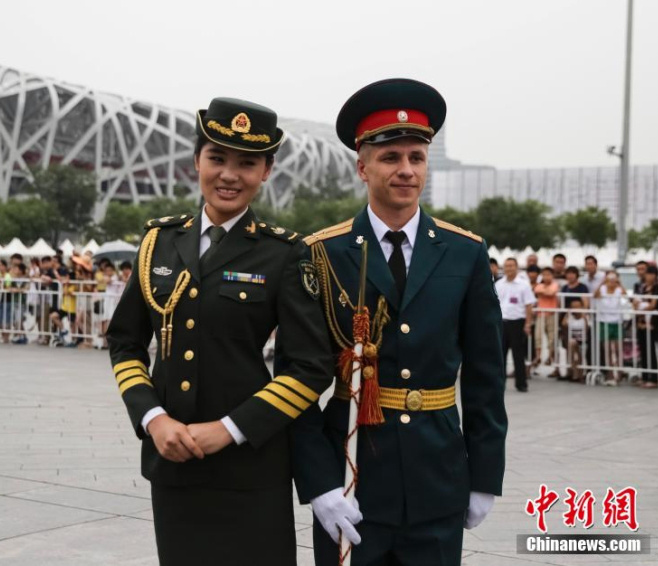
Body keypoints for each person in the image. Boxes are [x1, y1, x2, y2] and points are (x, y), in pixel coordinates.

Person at [287, 79, 507, 566]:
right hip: (353, 477)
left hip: (439, 477)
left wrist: (485, 476)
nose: (406, 170)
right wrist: (320, 483)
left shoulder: (465, 252)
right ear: (362, 166)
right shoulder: (321, 254)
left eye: (416, 157)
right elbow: (298, 381)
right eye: (390, 158)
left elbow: (487, 374)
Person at [106, 97, 333, 566]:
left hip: (250, 465)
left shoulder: (284, 254)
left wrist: (229, 430)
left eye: (247, 163)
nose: (230, 175)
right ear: (196, 161)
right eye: (217, 159)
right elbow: (125, 342)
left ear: (266, 171)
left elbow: (311, 368)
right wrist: (153, 420)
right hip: (173, 462)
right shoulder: (158, 241)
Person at [497, 258, 536, 391]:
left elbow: (529, 305)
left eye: (512, 266)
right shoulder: (499, 284)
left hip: (517, 322)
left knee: (518, 355)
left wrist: (528, 324)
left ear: (517, 267)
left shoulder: (523, 285)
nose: (509, 268)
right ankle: (499, 384)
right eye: (507, 266)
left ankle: (521, 384)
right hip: (502, 323)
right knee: (500, 355)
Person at [634, 265, 658, 388]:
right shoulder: (641, 287)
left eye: (652, 274)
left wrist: (643, 306)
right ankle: (645, 376)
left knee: (651, 350)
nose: (649, 276)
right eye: (647, 273)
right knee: (643, 350)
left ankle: (654, 378)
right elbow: (635, 302)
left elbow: (653, 304)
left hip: (652, 323)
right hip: (641, 323)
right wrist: (640, 306)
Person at [595, 271, 627, 385]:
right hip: (604, 322)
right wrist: (602, 283)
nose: (611, 282)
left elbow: (625, 296)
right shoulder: (602, 289)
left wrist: (620, 283)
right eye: (609, 279)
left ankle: (619, 372)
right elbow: (595, 295)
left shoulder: (619, 289)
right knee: (607, 349)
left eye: (613, 279)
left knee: (618, 349)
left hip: (617, 322)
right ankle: (609, 373)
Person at [533, 267, 560, 376]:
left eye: (548, 274)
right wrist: (545, 291)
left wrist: (544, 291)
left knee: (551, 337)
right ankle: (538, 357)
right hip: (540, 314)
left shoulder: (555, 284)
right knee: (538, 336)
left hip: (551, 314)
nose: (546, 277)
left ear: (552, 276)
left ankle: (550, 357)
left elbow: (551, 292)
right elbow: (537, 290)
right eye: (544, 275)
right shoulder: (539, 285)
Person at [561, 297, 590, 382]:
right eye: (574, 307)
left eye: (578, 306)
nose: (576, 309)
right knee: (572, 347)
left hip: (582, 340)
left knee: (574, 347)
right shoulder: (570, 317)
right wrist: (568, 313)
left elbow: (587, 328)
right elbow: (563, 324)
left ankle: (578, 372)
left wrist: (583, 314)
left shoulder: (585, 317)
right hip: (573, 340)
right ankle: (575, 372)